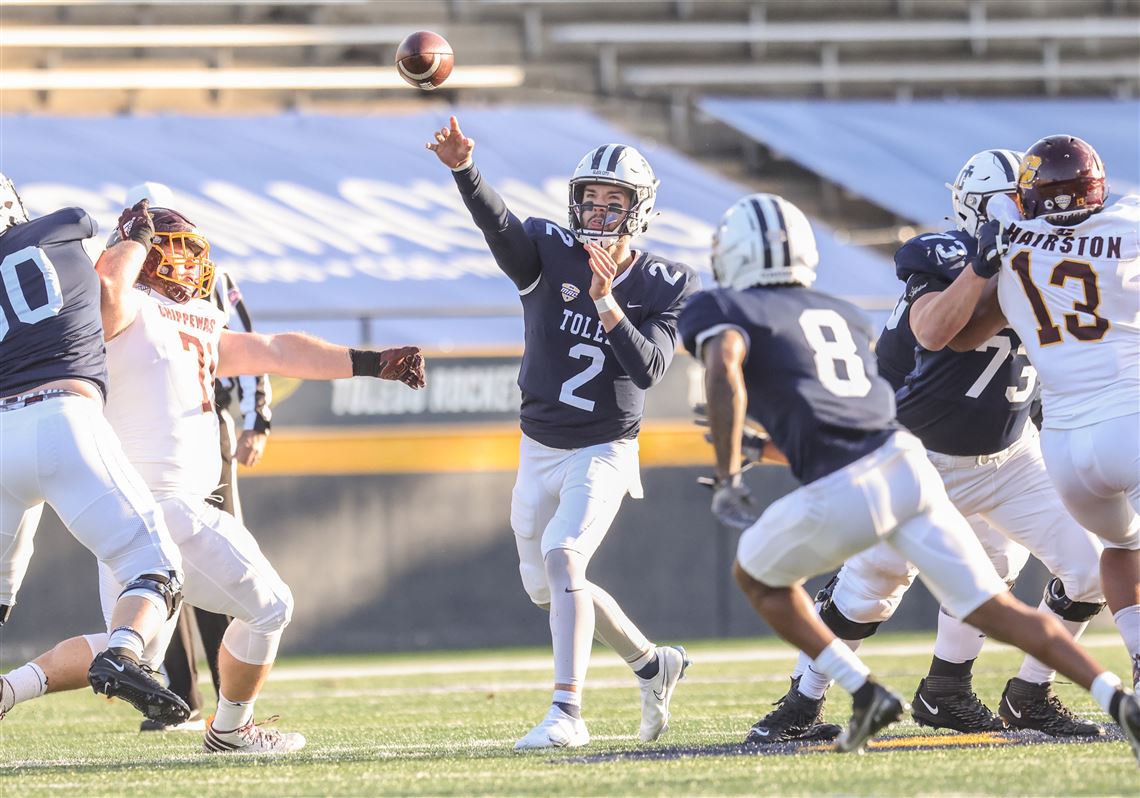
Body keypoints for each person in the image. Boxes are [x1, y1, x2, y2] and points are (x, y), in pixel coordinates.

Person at [678, 191, 1140, 757]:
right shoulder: (882, 292)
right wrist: (982, 267)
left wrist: (734, 468)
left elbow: (752, 381)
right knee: (917, 597)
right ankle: (807, 697)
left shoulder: (1049, 263)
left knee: (1079, 571)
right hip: (923, 460)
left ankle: (947, 692)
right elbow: (913, 357)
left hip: (992, 458)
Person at [0, 204, 426, 754]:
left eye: (187, 250)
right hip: (168, 505)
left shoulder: (197, 319)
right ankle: (232, 729)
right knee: (271, 606)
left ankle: (7, 691)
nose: (180, 262)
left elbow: (275, 350)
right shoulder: (119, 303)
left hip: (125, 512)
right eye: (167, 248)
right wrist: (124, 248)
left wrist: (370, 361)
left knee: (133, 648)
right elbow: (107, 294)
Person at [427, 116, 697, 749]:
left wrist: (608, 303)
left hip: (604, 447)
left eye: (614, 201)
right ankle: (652, 664)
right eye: (590, 198)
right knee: (548, 588)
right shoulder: (550, 251)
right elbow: (499, 228)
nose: (599, 210)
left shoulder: (667, 282)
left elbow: (650, 369)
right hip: (539, 445)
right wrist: (466, 171)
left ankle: (566, 713)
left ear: (640, 210)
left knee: (565, 556)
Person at [925, 134, 1140, 693]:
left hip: (1066, 450)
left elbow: (961, 339)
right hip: (1129, 419)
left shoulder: (1016, 249)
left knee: (1121, 548)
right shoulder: (1127, 223)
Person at [0, 181, 189, 726]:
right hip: (63, 418)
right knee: (154, 565)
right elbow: (109, 285)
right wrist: (134, 235)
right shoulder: (58, 230)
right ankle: (124, 651)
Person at [127, 180, 276, 735]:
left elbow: (251, 341)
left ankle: (223, 696)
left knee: (215, 559)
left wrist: (257, 418)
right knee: (155, 567)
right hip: (147, 431)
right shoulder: (123, 278)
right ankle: (174, 695)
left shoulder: (206, 275)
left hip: (203, 424)